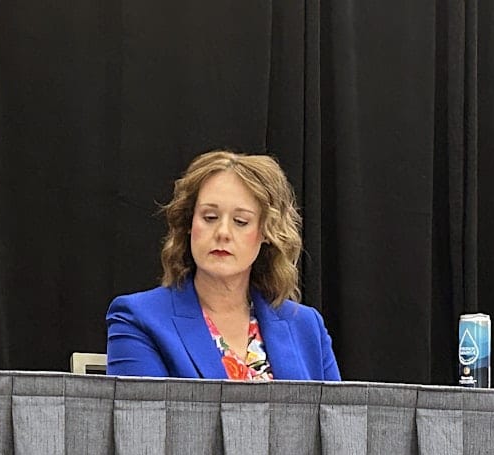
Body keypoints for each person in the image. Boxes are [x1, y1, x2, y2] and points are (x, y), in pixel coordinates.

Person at [106, 150, 340, 380]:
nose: (223, 232)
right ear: (189, 223)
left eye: (241, 221)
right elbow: (143, 407)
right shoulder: (138, 318)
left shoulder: (307, 326)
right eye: (210, 217)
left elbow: (334, 407)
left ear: (266, 232)